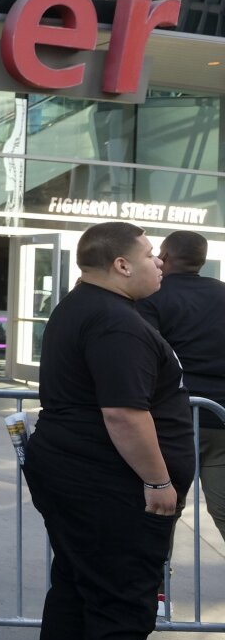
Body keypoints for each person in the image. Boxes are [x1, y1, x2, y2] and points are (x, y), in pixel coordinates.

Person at [25, 222, 193, 640]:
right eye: (149, 254)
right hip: (109, 487)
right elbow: (124, 413)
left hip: (81, 479)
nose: (159, 262)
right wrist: (157, 480)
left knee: (79, 584)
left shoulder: (82, 307)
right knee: (120, 605)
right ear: (121, 265)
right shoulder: (115, 322)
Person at [137, 230, 225, 544]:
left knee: (163, 508)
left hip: (174, 421)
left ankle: (156, 589)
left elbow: (144, 358)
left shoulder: (152, 297)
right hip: (221, 421)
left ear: (167, 256)